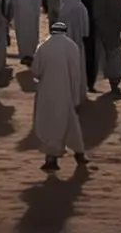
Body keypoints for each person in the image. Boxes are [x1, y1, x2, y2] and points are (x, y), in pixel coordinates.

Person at [30, 19, 90, 170]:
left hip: (47, 93)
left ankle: (51, 159)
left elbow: (35, 71)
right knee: (71, 123)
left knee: (51, 124)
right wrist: (76, 98)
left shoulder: (43, 47)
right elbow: (76, 75)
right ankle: (79, 154)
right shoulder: (72, 47)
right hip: (68, 93)